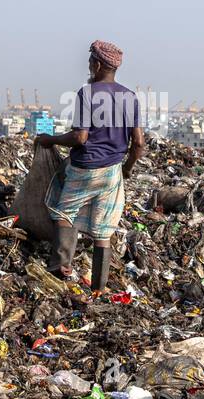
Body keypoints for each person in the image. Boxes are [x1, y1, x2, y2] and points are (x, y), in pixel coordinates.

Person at [35, 40, 146, 291]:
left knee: (64, 212)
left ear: (96, 64)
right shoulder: (130, 97)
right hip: (112, 171)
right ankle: (99, 286)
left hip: (84, 167)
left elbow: (80, 137)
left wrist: (49, 140)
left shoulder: (88, 92)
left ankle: (60, 270)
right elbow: (138, 143)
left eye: (89, 62)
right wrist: (126, 168)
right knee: (103, 228)